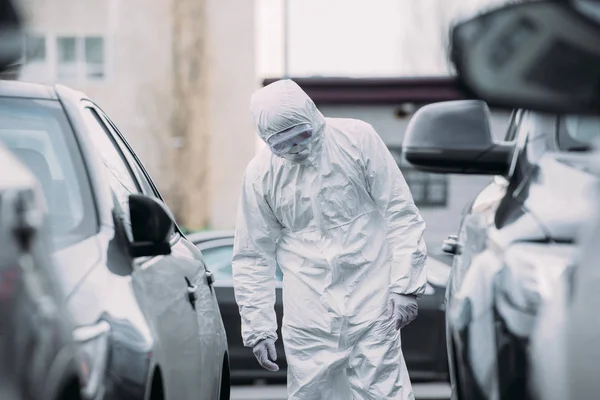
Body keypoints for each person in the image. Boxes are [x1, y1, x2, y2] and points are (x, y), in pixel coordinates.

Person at [232, 79, 427, 400]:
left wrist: (405, 285)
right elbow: (253, 255)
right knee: (313, 394)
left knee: (383, 392)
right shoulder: (260, 175)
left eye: (302, 135)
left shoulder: (357, 139)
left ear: (315, 118)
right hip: (308, 311)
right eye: (283, 144)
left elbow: (400, 212)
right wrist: (258, 327)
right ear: (267, 141)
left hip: (372, 298)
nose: (297, 148)